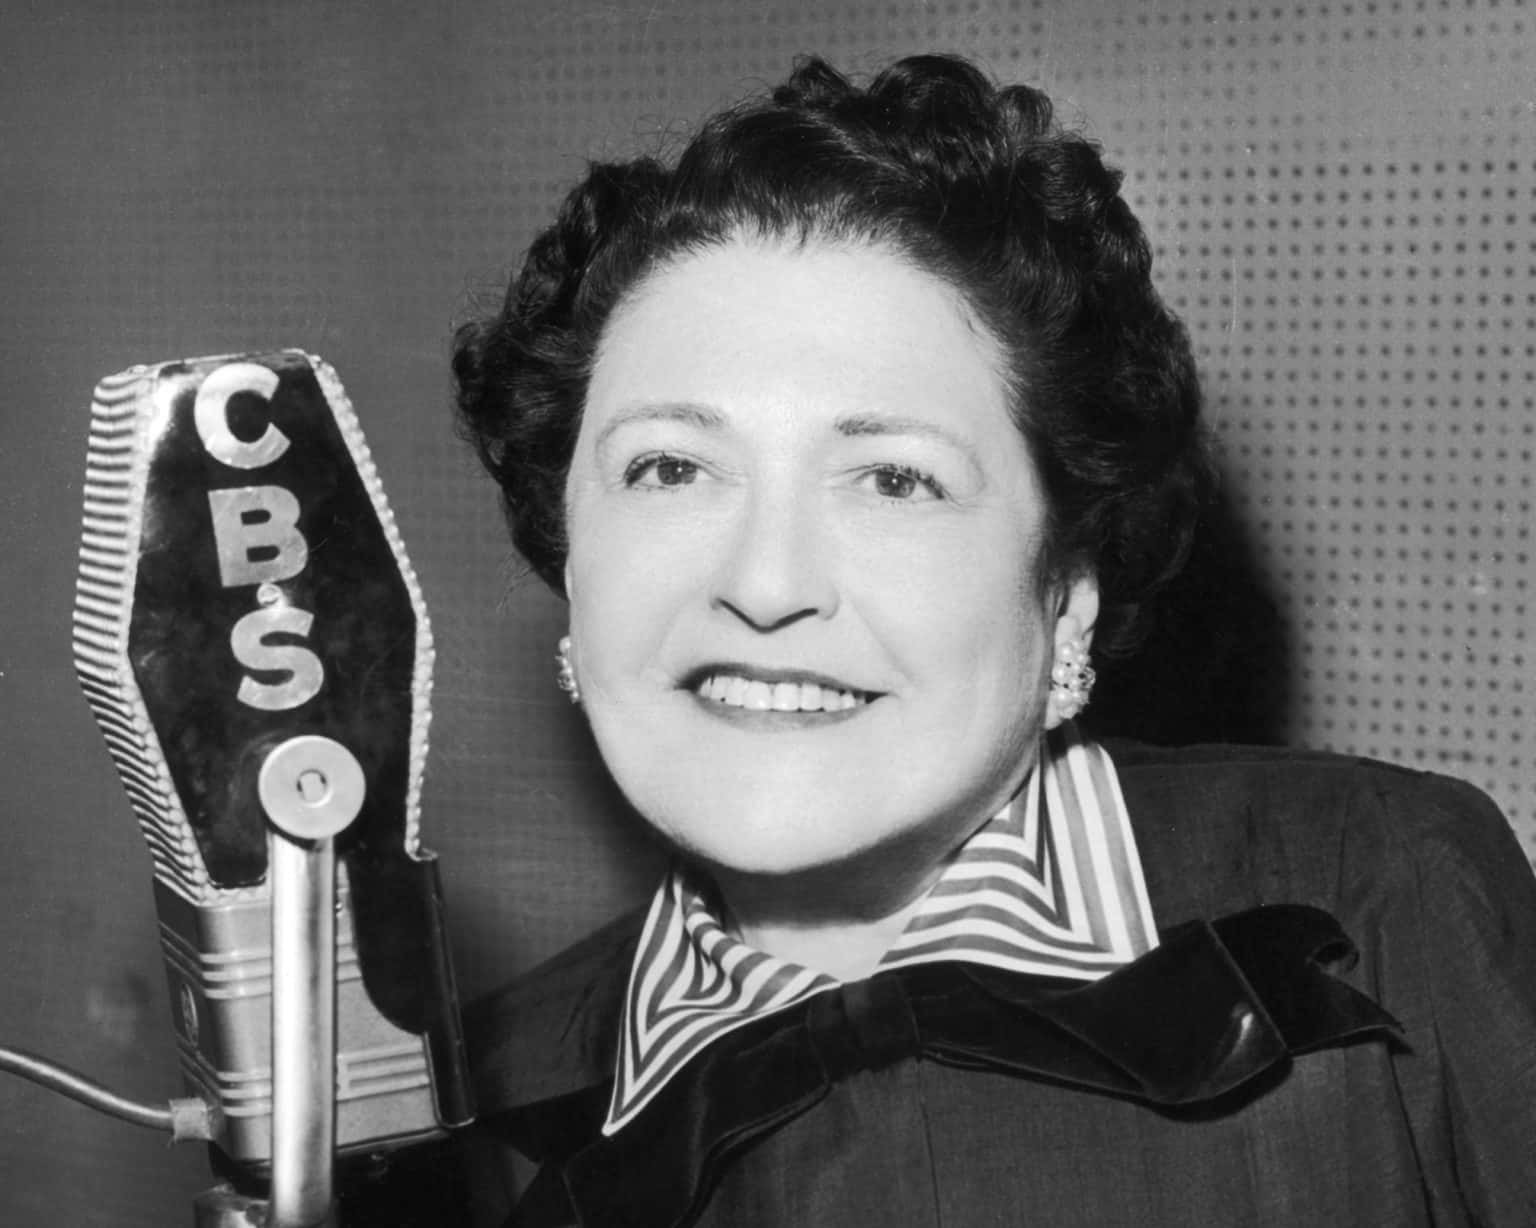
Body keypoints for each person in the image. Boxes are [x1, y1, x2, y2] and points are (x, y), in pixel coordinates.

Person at [449, 53, 1536, 1227]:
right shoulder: (475, 1098)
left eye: (895, 478)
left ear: (1066, 587)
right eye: (669, 466)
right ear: (570, 560)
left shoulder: (1381, 889)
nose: (763, 583)